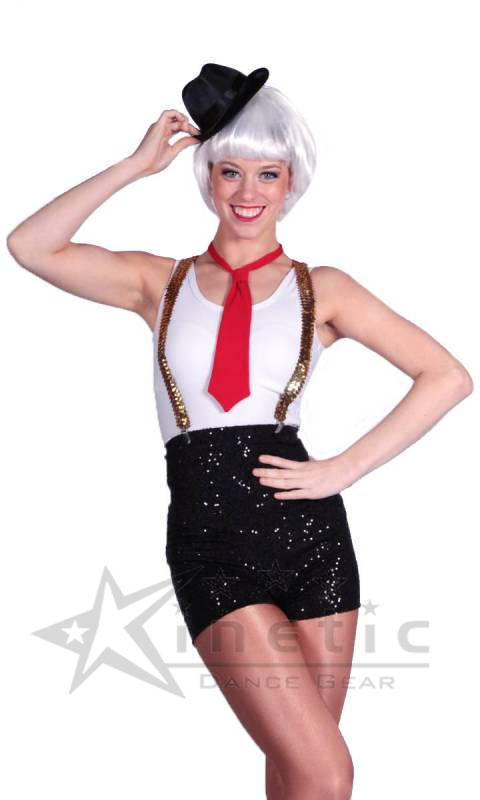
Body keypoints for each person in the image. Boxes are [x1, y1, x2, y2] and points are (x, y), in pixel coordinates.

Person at [6, 63, 474, 800]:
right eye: (230, 171)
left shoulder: (326, 289)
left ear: (292, 183)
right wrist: (134, 167)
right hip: (210, 542)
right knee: (327, 770)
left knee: (301, 776)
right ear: (207, 177)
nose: (248, 192)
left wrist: (344, 468)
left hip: (314, 539)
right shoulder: (157, 282)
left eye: (268, 174)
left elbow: (447, 376)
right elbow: (31, 246)